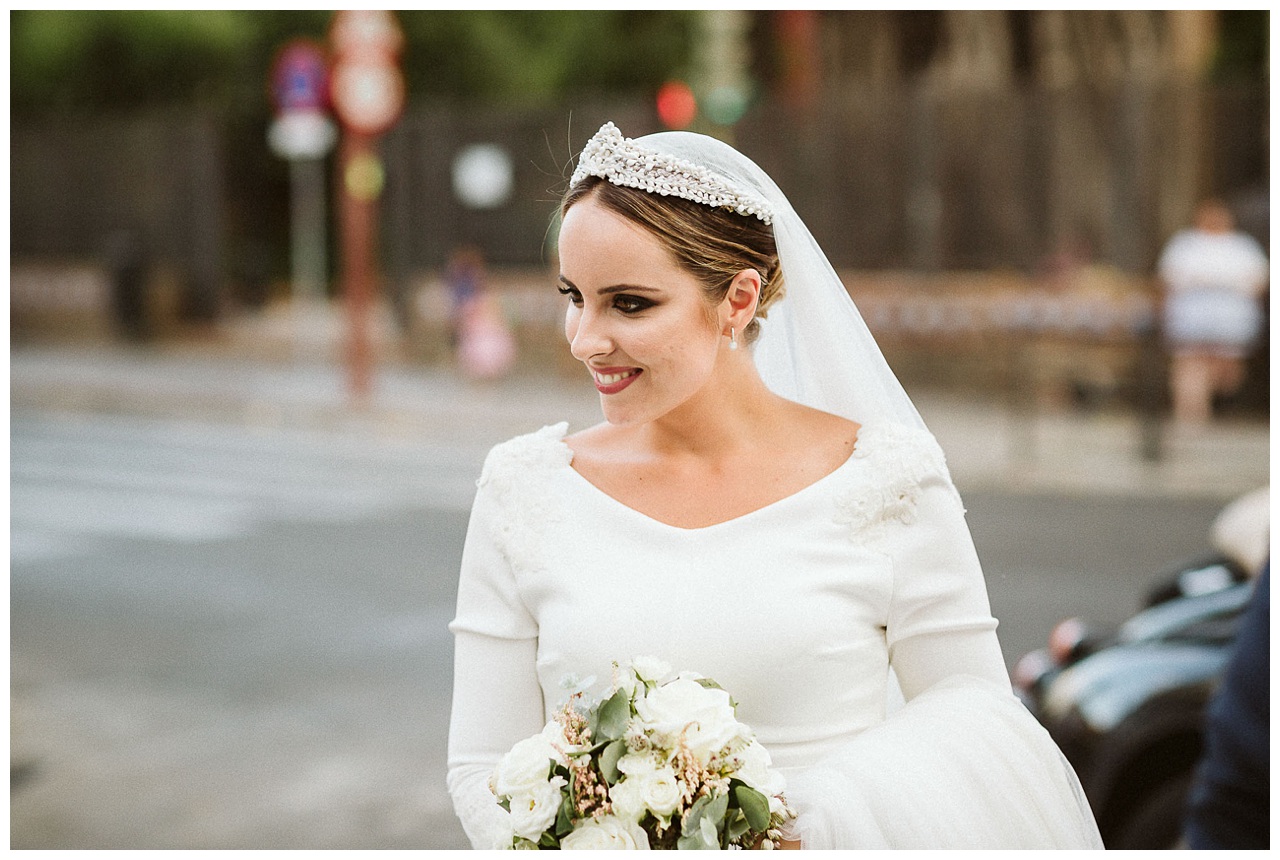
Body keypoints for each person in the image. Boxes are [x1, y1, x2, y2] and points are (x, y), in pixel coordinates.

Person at [446, 122, 1103, 849]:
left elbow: (977, 724)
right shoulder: (525, 490)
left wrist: (791, 831)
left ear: (738, 298)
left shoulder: (887, 480)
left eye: (628, 303)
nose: (585, 338)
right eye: (575, 295)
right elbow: (482, 764)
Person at [1156, 199, 1269, 425]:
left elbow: (1260, 280)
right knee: (1191, 363)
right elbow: (1167, 278)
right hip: (1192, 316)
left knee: (1225, 373)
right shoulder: (1185, 244)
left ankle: (1206, 398)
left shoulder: (1243, 246)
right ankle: (1191, 417)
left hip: (1230, 318)